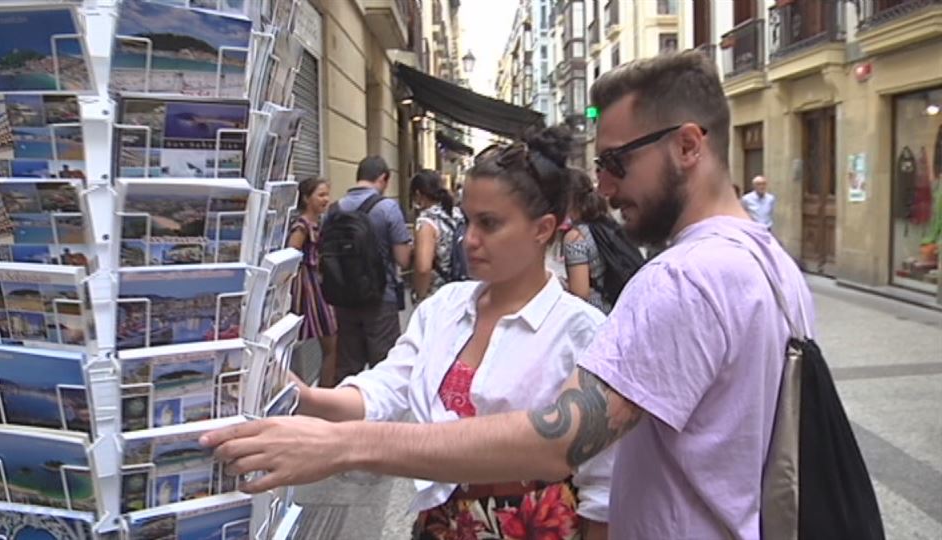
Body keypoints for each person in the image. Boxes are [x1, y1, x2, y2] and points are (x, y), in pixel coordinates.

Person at [203, 51, 815, 539]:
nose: (601, 184)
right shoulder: (768, 261)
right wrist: (312, 403)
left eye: (617, 162)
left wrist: (341, 446)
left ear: (688, 146)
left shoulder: (684, 277)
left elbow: (561, 443)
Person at [329, 156, 412, 384]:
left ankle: (346, 416)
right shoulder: (387, 208)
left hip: (343, 299)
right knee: (385, 370)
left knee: (347, 368)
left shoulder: (334, 208)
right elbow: (403, 259)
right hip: (380, 300)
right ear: (383, 178)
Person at [287, 177, 338, 387]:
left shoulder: (318, 223)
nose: (326, 199)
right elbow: (291, 254)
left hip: (317, 286)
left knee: (331, 343)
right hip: (309, 289)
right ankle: (321, 393)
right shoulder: (302, 226)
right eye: (321, 195)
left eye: (327, 194)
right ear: (307, 198)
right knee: (330, 342)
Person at [562, 168, 613, 313]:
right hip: (616, 304)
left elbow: (580, 293)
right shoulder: (606, 223)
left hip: (596, 312)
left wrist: (561, 286)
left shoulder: (575, 237)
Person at [409, 169, 464, 301]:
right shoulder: (456, 214)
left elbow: (423, 268)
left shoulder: (426, 222)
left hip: (438, 295)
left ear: (418, 194)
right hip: (461, 289)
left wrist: (420, 296)